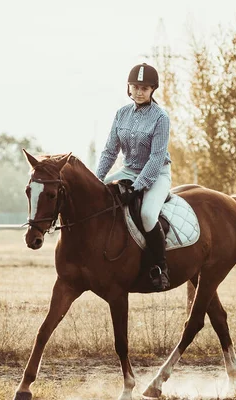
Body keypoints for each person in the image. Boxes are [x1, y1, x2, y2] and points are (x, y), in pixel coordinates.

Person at [96, 63, 172, 291]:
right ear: (129, 88)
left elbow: (157, 158)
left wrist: (138, 187)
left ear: (152, 90)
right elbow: (110, 151)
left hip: (157, 174)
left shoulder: (161, 117)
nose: (139, 92)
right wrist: (97, 181)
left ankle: (160, 268)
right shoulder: (121, 114)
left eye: (145, 88)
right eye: (135, 87)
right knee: (95, 200)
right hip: (128, 170)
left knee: (148, 215)